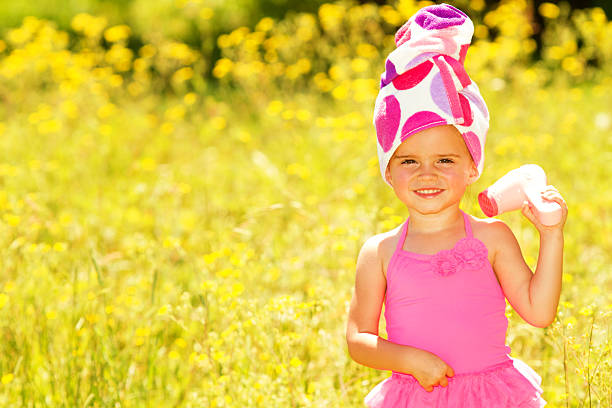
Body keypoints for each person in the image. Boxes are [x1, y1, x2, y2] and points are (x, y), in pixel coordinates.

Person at [345, 3, 567, 407]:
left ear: (471, 168)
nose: (426, 174)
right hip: (416, 395)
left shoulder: (492, 237)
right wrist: (408, 360)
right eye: (408, 161)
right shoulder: (379, 251)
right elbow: (359, 339)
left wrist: (551, 235)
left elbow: (539, 311)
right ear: (388, 173)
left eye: (445, 160)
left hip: (491, 395)